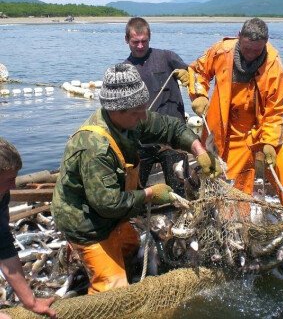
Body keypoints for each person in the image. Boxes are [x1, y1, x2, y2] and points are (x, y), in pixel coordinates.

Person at [52, 63, 221, 294]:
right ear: (115, 110)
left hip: (113, 215)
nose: (143, 116)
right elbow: (108, 204)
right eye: (136, 112)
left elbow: (169, 127)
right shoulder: (94, 147)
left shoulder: (131, 118)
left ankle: (110, 258)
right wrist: (150, 194)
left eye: (142, 108)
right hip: (86, 222)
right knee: (114, 290)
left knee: (131, 248)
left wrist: (199, 150)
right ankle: (84, 256)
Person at [179, 17, 283, 225]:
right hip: (228, 128)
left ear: (265, 43)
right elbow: (197, 71)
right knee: (234, 185)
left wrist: (271, 142)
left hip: (261, 127)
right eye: (247, 49)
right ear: (239, 37)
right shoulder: (222, 50)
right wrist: (199, 94)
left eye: (257, 50)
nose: (251, 54)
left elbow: (278, 108)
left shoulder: (273, 63)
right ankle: (235, 224)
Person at [123, 17, 190, 196]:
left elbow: (196, 75)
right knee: (134, 190)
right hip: (141, 141)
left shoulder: (167, 57)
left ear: (149, 38)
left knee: (180, 188)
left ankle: (182, 217)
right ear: (126, 40)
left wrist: (188, 74)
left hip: (173, 138)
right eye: (135, 41)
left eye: (144, 41)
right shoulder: (124, 70)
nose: (140, 46)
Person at [0, 138, 56, 318]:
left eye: (15, 177)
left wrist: (31, 302)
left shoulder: (2, 195)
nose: (13, 185)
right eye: (9, 179)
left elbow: (4, 246)